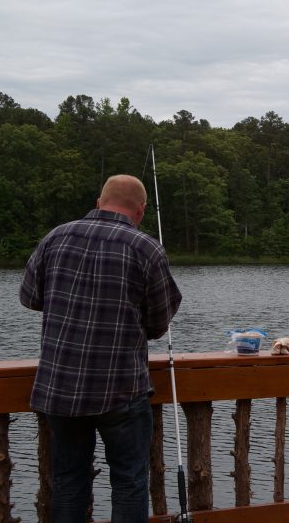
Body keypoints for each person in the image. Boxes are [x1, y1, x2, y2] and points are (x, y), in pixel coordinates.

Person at [19, 174, 182, 523]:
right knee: (128, 481)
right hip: (122, 390)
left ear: (98, 202)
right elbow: (158, 325)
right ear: (140, 211)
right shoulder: (146, 247)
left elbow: (30, 298)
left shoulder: (55, 237)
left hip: (59, 389)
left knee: (68, 480)